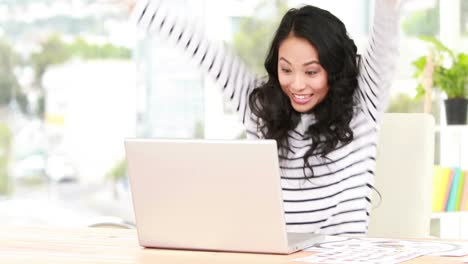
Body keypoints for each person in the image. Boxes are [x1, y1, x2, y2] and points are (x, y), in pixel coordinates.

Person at [131, 0, 402, 236]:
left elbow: (385, 36)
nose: (297, 85)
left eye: (311, 72)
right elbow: (202, 49)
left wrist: (388, 6)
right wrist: (136, 6)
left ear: (333, 69)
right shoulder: (259, 107)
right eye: (286, 69)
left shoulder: (363, 102)